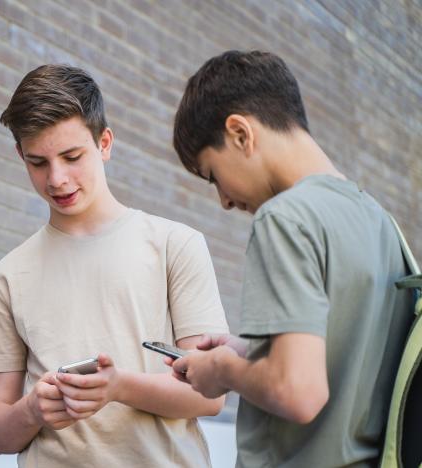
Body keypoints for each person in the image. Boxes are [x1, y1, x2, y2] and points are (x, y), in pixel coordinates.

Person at [0, 64, 230, 467]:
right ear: (20, 155)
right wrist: (32, 411)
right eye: (38, 162)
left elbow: (211, 395)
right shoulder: (7, 277)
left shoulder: (174, 245)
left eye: (72, 156)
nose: (56, 179)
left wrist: (118, 387)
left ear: (104, 143)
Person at [169, 50, 415, 467]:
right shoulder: (381, 222)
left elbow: (298, 391)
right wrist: (254, 349)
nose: (224, 200)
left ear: (240, 133)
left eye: (213, 175)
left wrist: (222, 371)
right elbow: (348, 355)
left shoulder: (283, 219)